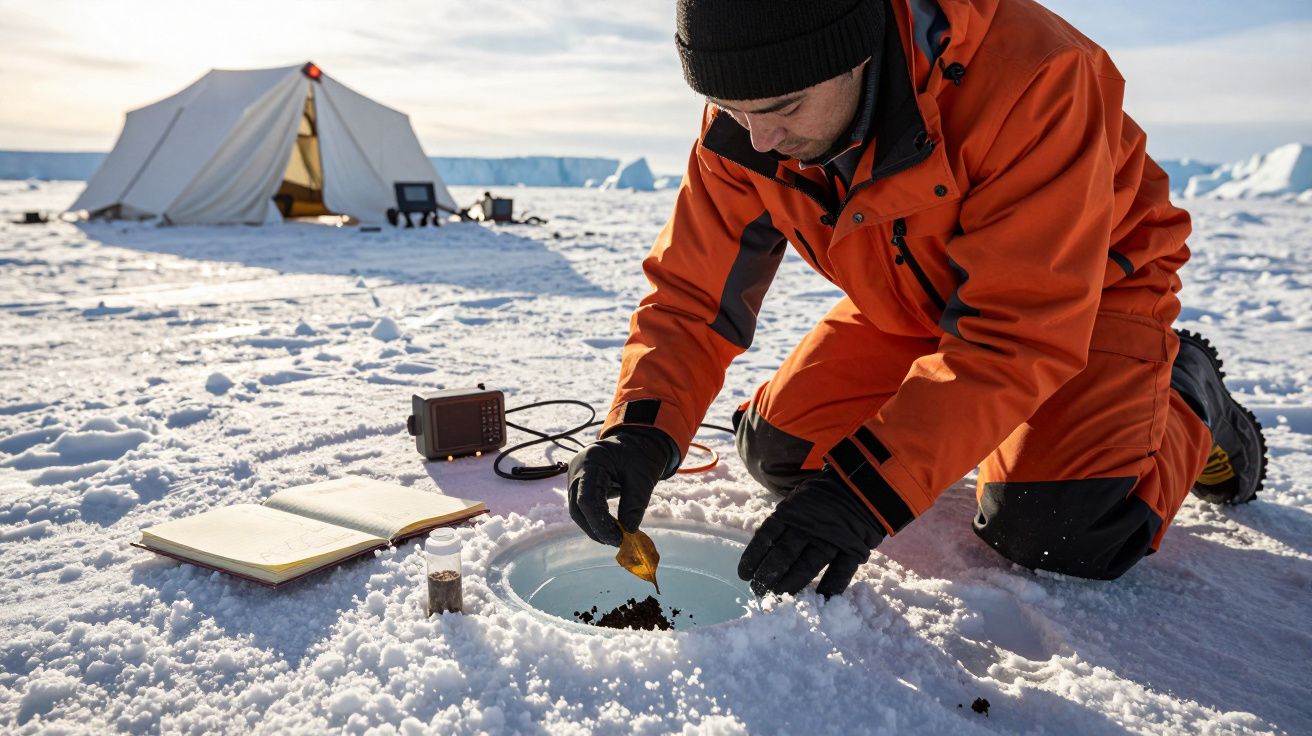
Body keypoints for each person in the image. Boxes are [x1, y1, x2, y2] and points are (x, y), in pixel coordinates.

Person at [566, 0, 1268, 597]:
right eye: (731, 108)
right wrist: (641, 426)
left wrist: (868, 495)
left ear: (853, 51)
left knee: (1056, 526)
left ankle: (1185, 395)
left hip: (1089, 297)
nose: (761, 139)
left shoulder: (1037, 78)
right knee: (783, 454)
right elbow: (692, 295)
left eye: (781, 108)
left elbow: (1019, 330)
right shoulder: (746, 121)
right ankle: (975, 424)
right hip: (911, 303)